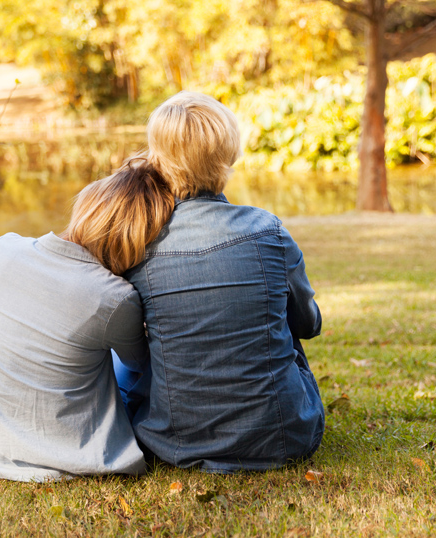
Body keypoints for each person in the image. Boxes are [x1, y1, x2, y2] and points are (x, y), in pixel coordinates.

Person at [119, 91, 325, 472]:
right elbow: (309, 324)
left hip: (174, 443)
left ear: (157, 158)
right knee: (279, 322)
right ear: (230, 153)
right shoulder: (268, 230)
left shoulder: (140, 243)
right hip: (285, 438)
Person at [0, 161, 174, 482]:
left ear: (87, 205)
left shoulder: (3, 249)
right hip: (75, 456)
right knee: (140, 365)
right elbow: (141, 366)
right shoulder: (113, 296)